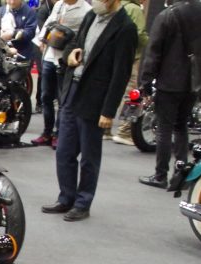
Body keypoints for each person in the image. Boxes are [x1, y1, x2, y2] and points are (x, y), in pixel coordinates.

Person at [41, 0, 137, 221]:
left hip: (95, 99)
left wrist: (108, 111)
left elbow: (121, 74)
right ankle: (66, 198)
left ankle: (82, 203)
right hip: (72, 91)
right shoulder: (91, 16)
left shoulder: (125, 28)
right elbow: (74, 43)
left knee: (89, 157)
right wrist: (69, 55)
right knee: (64, 151)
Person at [137, 0, 201, 189]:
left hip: (169, 80)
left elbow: (154, 51)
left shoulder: (167, 15)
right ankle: (181, 174)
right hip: (193, 81)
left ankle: (160, 175)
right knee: (181, 127)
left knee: (164, 128)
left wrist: (146, 81)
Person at [31, 0, 87, 148]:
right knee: (45, 97)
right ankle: (47, 133)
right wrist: (42, 40)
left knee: (63, 100)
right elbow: (49, 23)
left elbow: (82, 37)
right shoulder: (59, 5)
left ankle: (58, 134)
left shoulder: (86, 10)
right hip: (49, 56)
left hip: (65, 60)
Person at [110, 0, 147, 145]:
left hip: (112, 57)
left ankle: (105, 129)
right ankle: (125, 132)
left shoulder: (117, 5)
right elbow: (140, 35)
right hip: (130, 58)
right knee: (132, 94)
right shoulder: (135, 9)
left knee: (110, 90)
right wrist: (149, 41)